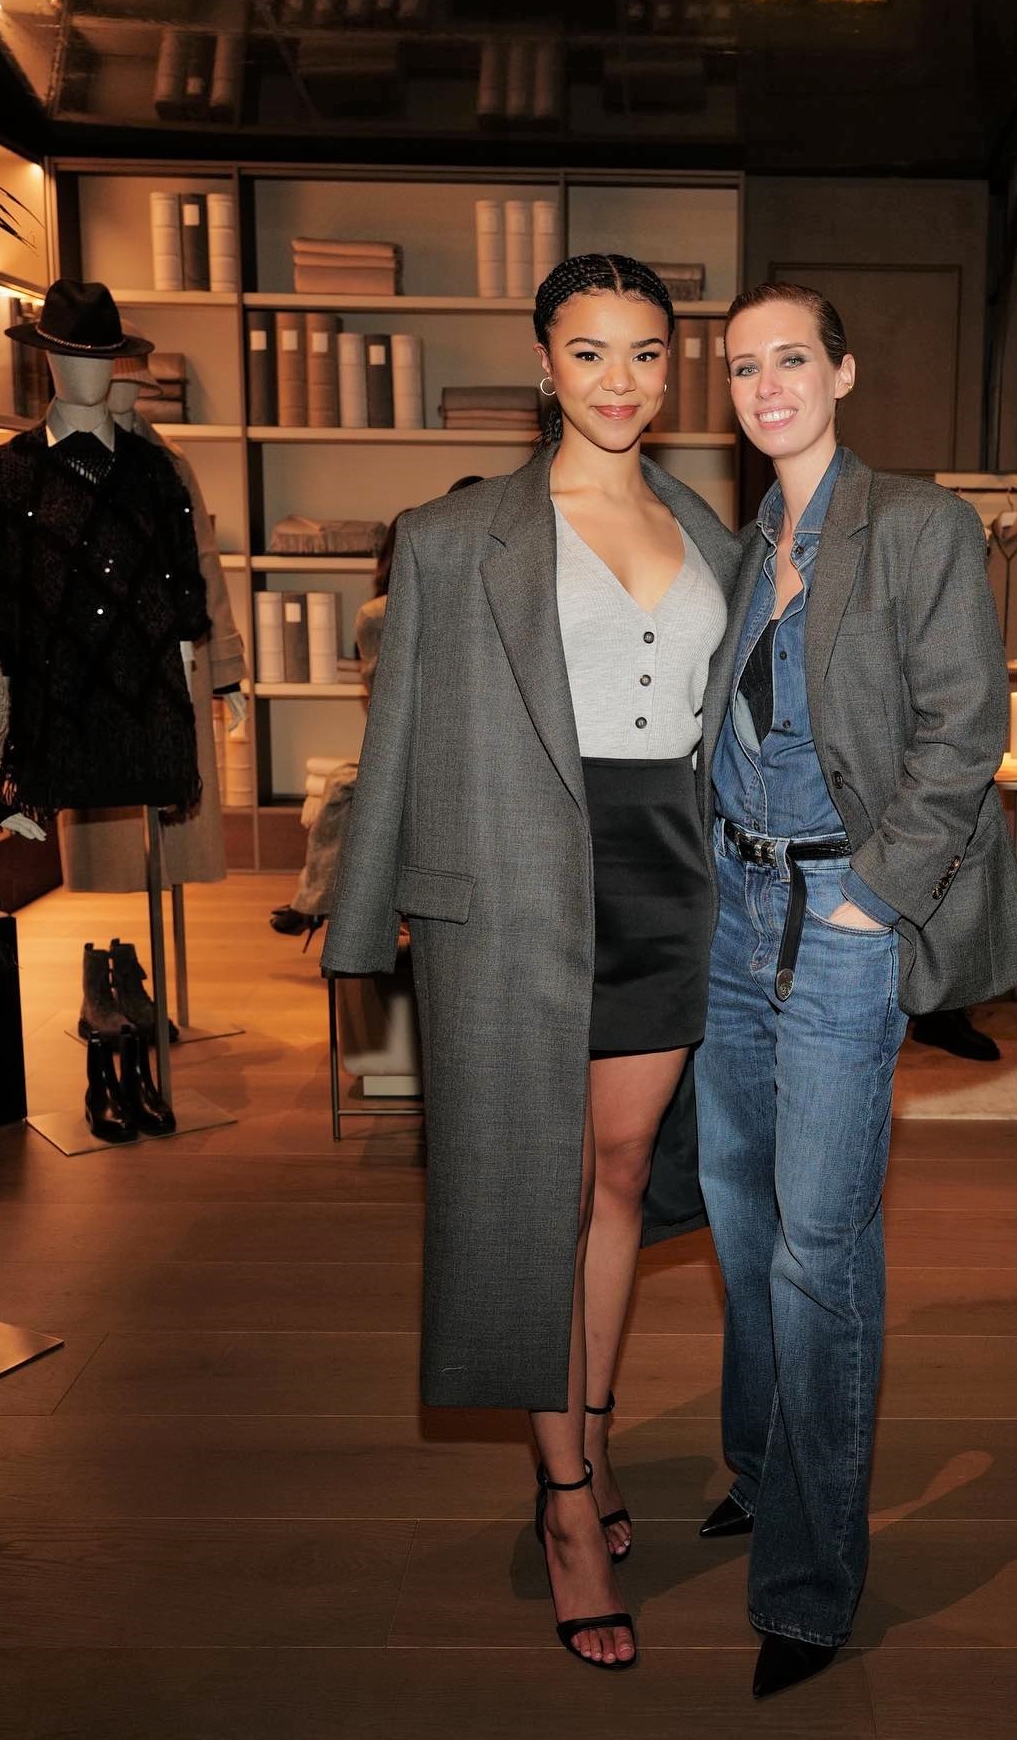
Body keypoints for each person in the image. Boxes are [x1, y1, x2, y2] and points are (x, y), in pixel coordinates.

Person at [321, 256, 741, 1672]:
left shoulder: (711, 531)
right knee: (537, 1198)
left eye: (646, 353)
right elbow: (394, 737)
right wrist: (362, 922)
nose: (621, 381)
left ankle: (594, 1437)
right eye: (590, 351)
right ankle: (564, 1503)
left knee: (621, 1178)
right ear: (544, 365)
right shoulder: (455, 538)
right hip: (509, 887)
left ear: (672, 366)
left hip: (666, 880)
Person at [694, 282, 1017, 1699]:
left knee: (819, 1250)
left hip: (841, 916)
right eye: (742, 367)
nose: (766, 385)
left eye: (792, 358)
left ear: (842, 371)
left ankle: (808, 1586)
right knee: (739, 1215)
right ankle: (761, 1469)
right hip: (730, 909)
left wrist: (871, 897)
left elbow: (963, 734)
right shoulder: (741, 543)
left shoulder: (916, 524)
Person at [268, 482, 484, 942]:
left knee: (344, 788)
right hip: (433, 744)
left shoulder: (380, 612)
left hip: (430, 748)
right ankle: (318, 905)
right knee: (345, 785)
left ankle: (316, 905)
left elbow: (382, 695)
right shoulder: (410, 607)